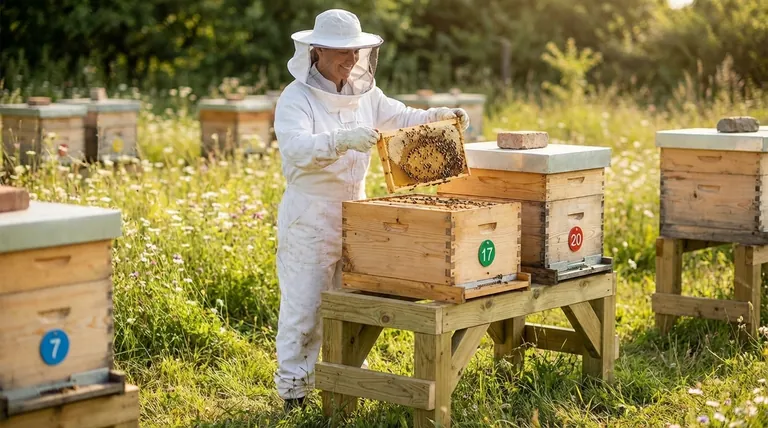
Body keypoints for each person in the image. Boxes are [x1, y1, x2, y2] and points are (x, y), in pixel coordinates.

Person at [272, 8, 470, 411]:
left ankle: (342, 383)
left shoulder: (366, 94)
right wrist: (342, 140)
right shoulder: (296, 99)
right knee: (304, 307)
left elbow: (404, 117)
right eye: (342, 52)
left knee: (353, 304)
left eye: (356, 51)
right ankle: (294, 393)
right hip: (309, 216)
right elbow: (295, 148)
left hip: (356, 214)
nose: (351, 60)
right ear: (317, 52)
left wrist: (441, 116)